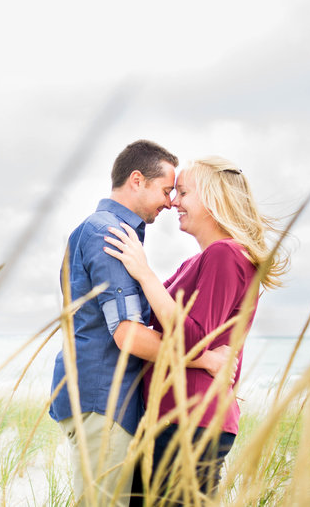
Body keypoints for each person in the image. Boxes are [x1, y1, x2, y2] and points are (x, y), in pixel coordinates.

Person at [49, 142, 237, 507]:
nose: (170, 202)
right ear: (137, 180)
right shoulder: (111, 235)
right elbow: (127, 334)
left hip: (100, 398)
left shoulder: (99, 232)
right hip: (103, 400)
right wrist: (205, 360)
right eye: (167, 190)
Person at [103, 156, 288, 504]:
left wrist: (144, 272)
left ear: (214, 200)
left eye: (184, 193)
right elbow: (154, 319)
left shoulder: (226, 254)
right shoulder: (196, 262)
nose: (174, 202)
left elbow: (188, 337)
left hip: (189, 422)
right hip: (172, 420)